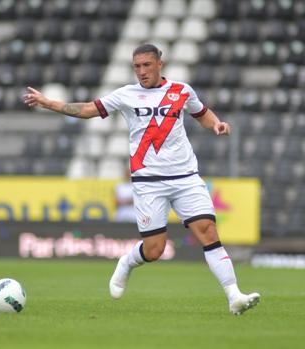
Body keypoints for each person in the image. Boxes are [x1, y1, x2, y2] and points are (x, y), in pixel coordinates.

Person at [23, 44, 260, 315]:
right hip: (148, 181)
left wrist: (216, 124)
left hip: (186, 177)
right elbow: (88, 109)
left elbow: (202, 113)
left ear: (160, 63)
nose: (142, 71)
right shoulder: (126, 94)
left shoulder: (181, 91)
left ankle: (234, 296)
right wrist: (48, 103)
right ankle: (126, 262)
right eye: (137, 66)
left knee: (207, 231)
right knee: (155, 249)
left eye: (147, 65)